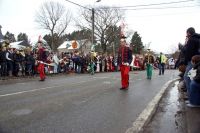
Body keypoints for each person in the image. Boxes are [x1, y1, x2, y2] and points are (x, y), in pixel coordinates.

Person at [184, 27, 200, 92]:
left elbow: (188, 52)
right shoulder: (198, 38)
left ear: (188, 33)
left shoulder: (191, 40)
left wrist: (183, 48)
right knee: (194, 77)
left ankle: (191, 95)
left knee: (187, 77)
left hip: (192, 62)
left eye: (186, 33)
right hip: (197, 62)